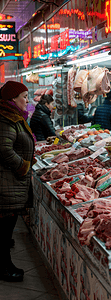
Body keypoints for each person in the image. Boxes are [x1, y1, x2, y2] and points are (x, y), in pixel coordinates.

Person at [0, 81, 35, 282]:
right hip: (7, 182)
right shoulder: (6, 119)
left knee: (6, 228)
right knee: (4, 229)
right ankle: (4, 268)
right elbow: (4, 149)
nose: (27, 101)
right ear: (12, 99)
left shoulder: (12, 117)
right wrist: (23, 165)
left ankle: (5, 264)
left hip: (10, 182)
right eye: (24, 96)